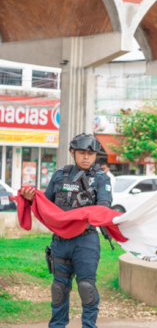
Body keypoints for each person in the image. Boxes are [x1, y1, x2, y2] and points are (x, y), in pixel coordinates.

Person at [21, 133, 112, 328]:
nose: (86, 157)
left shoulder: (101, 178)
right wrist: (30, 199)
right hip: (61, 241)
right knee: (59, 290)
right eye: (81, 153)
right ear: (73, 152)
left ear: (96, 156)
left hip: (85, 242)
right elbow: (45, 204)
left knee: (87, 289)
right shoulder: (59, 175)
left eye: (90, 153)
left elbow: (104, 208)